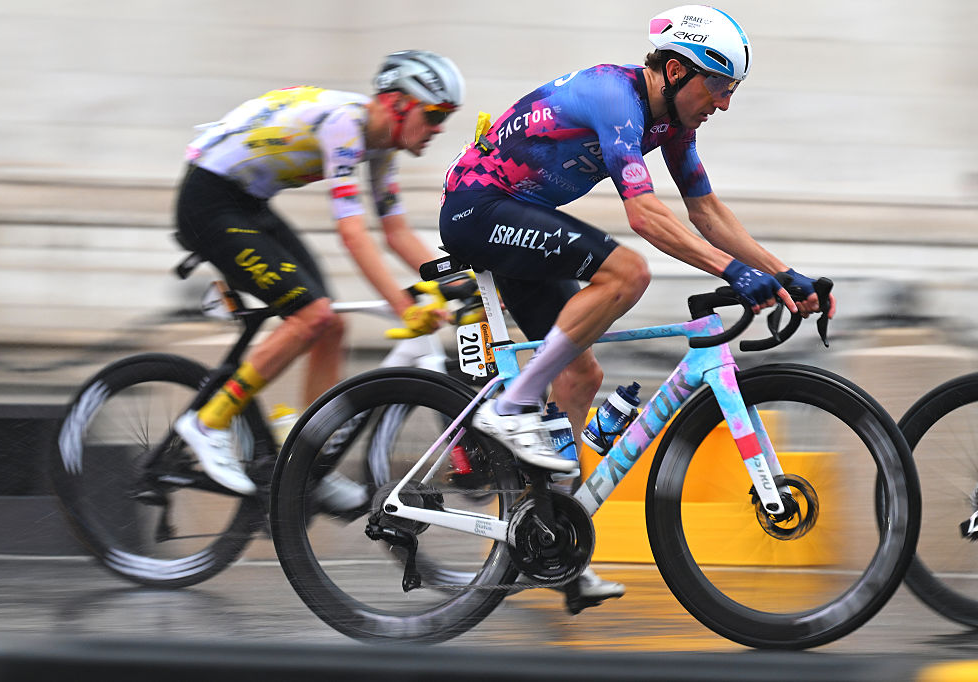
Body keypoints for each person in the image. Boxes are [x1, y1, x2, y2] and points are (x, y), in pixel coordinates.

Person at [439, 5, 835, 607]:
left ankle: (551, 545)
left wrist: (783, 274)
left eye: (731, 90)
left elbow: (706, 211)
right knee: (627, 271)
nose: (724, 103)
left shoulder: (672, 126)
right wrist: (733, 271)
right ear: (676, 71)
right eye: (718, 85)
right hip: (477, 210)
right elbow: (644, 215)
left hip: (517, 219)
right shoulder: (614, 96)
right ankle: (512, 406)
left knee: (580, 374)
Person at [174, 50, 463, 501]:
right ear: (397, 104)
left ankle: (304, 455)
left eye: (445, 116)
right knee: (311, 315)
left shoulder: (381, 143)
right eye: (433, 114)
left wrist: (456, 280)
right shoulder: (344, 126)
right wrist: (404, 305)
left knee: (331, 325)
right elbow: (351, 232)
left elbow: (394, 229)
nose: (439, 127)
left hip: (247, 202)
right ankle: (207, 422)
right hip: (208, 202)